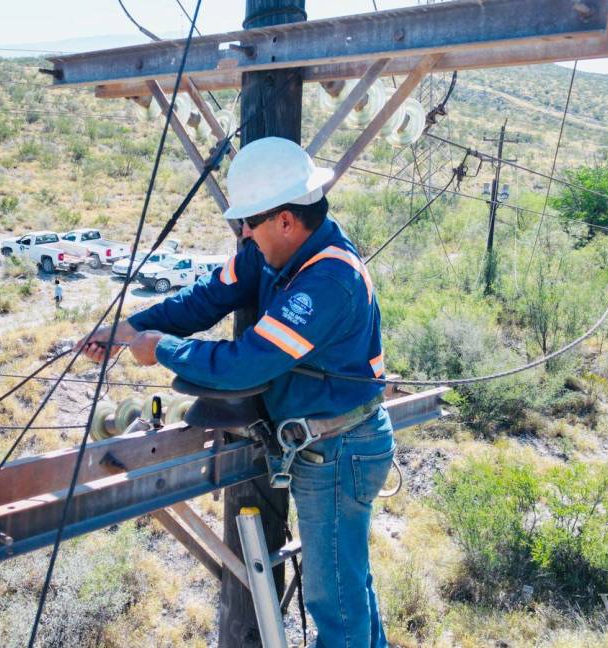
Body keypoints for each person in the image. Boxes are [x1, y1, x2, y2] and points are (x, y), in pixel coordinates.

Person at [83, 137, 392, 647]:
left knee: (334, 603)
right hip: (324, 446)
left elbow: (244, 365)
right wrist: (129, 328)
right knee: (346, 585)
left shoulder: (329, 281)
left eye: (251, 221)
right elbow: (205, 299)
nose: (243, 231)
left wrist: (160, 350)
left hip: (339, 452)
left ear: (287, 220)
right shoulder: (273, 255)